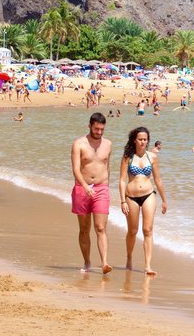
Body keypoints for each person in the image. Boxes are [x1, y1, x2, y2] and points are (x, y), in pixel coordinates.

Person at [119, 126, 168, 277]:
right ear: (134, 140)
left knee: (148, 230)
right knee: (132, 231)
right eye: (140, 139)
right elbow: (121, 180)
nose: (142, 142)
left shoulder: (152, 157)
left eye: (145, 140)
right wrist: (122, 201)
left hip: (148, 195)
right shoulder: (128, 157)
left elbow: (158, 180)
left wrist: (164, 200)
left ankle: (147, 265)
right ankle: (129, 258)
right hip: (131, 197)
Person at [71, 112, 113, 274]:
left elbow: (106, 166)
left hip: (101, 188)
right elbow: (75, 168)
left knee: (100, 227)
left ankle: (104, 263)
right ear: (89, 126)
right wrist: (85, 186)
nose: (99, 132)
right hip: (82, 188)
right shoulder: (79, 144)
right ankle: (87, 262)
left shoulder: (108, 144)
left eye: (102, 129)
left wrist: (105, 184)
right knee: (84, 229)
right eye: (96, 129)